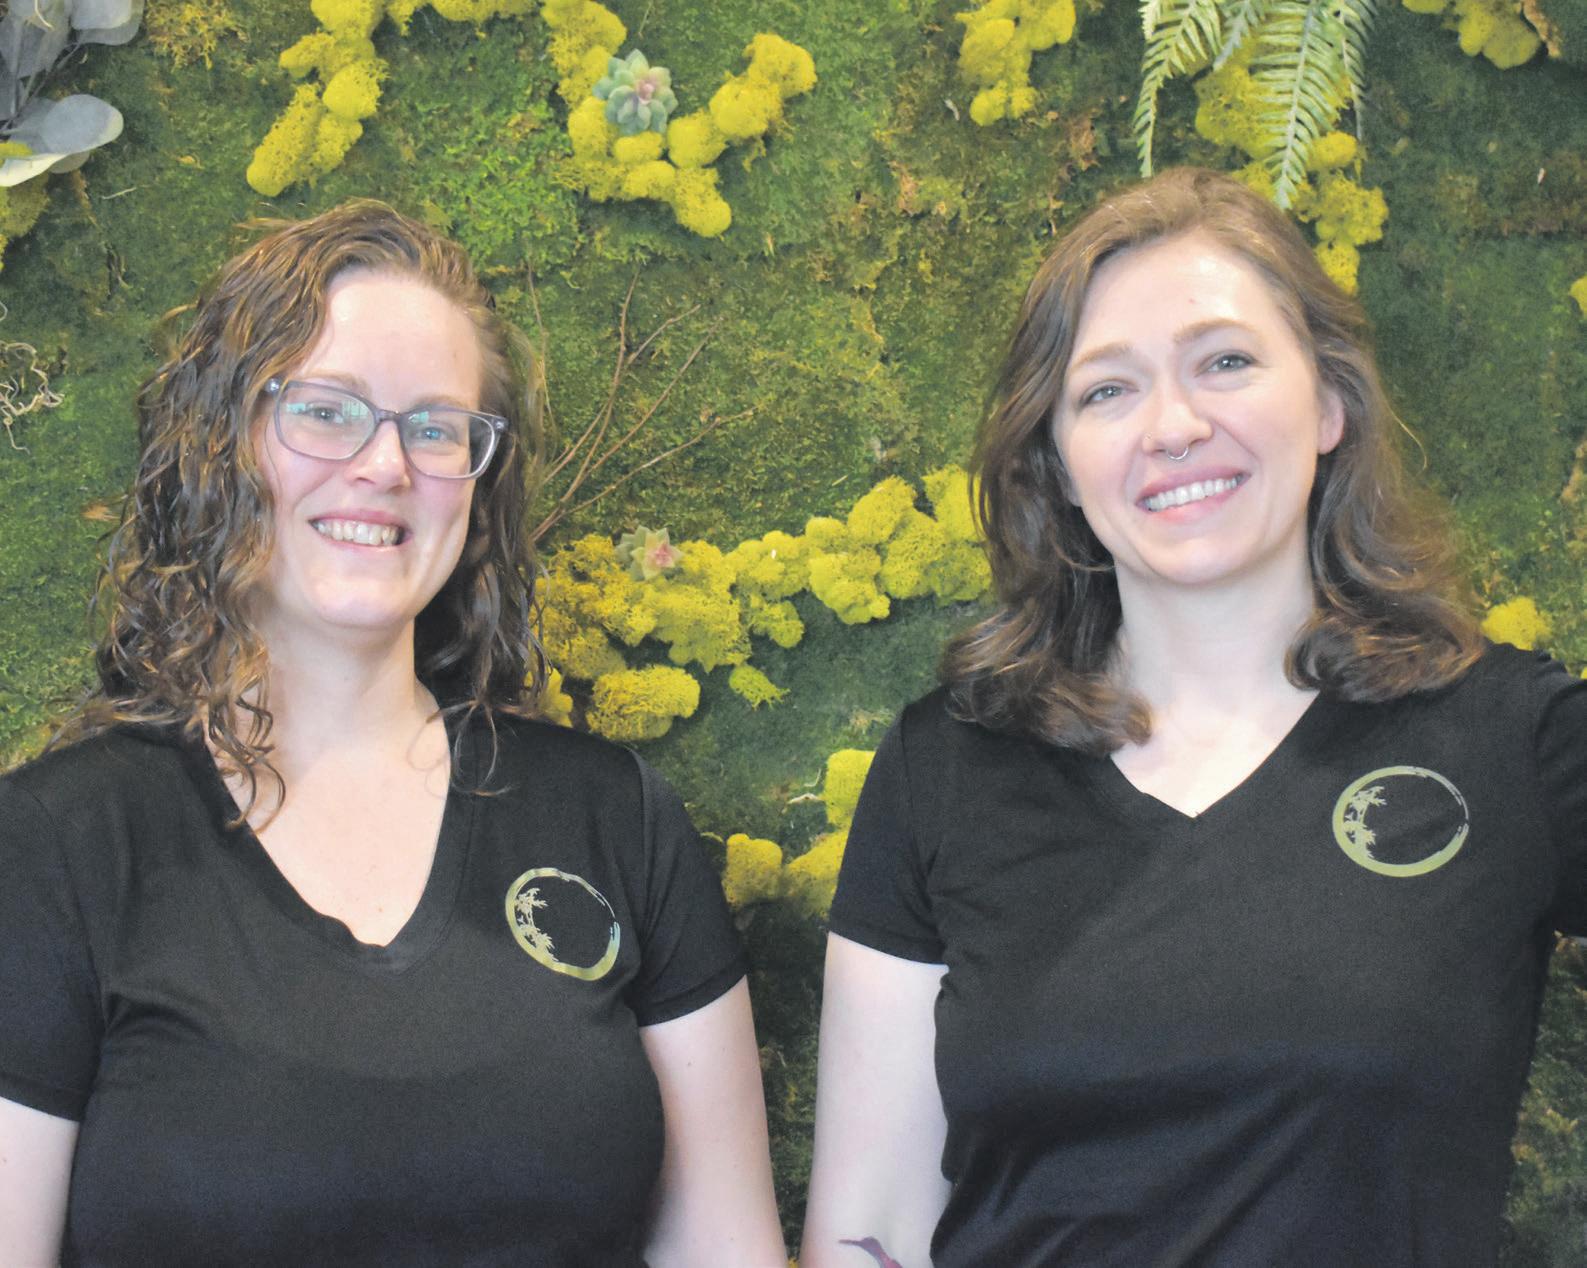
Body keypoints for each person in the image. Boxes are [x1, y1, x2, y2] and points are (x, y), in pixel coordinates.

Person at [801, 166, 1587, 1266]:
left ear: (1328, 404)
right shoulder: (945, 766)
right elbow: (871, 1224)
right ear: (1058, 463)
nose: (1172, 425)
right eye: (1106, 391)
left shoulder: (1513, 740)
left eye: (1225, 361)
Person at [0, 201, 785, 1266]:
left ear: (479, 484)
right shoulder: (56, 845)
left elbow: (727, 1248)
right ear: (221, 442)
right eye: (327, 411)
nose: (385, 465)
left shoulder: (615, 818)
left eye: (435, 427)